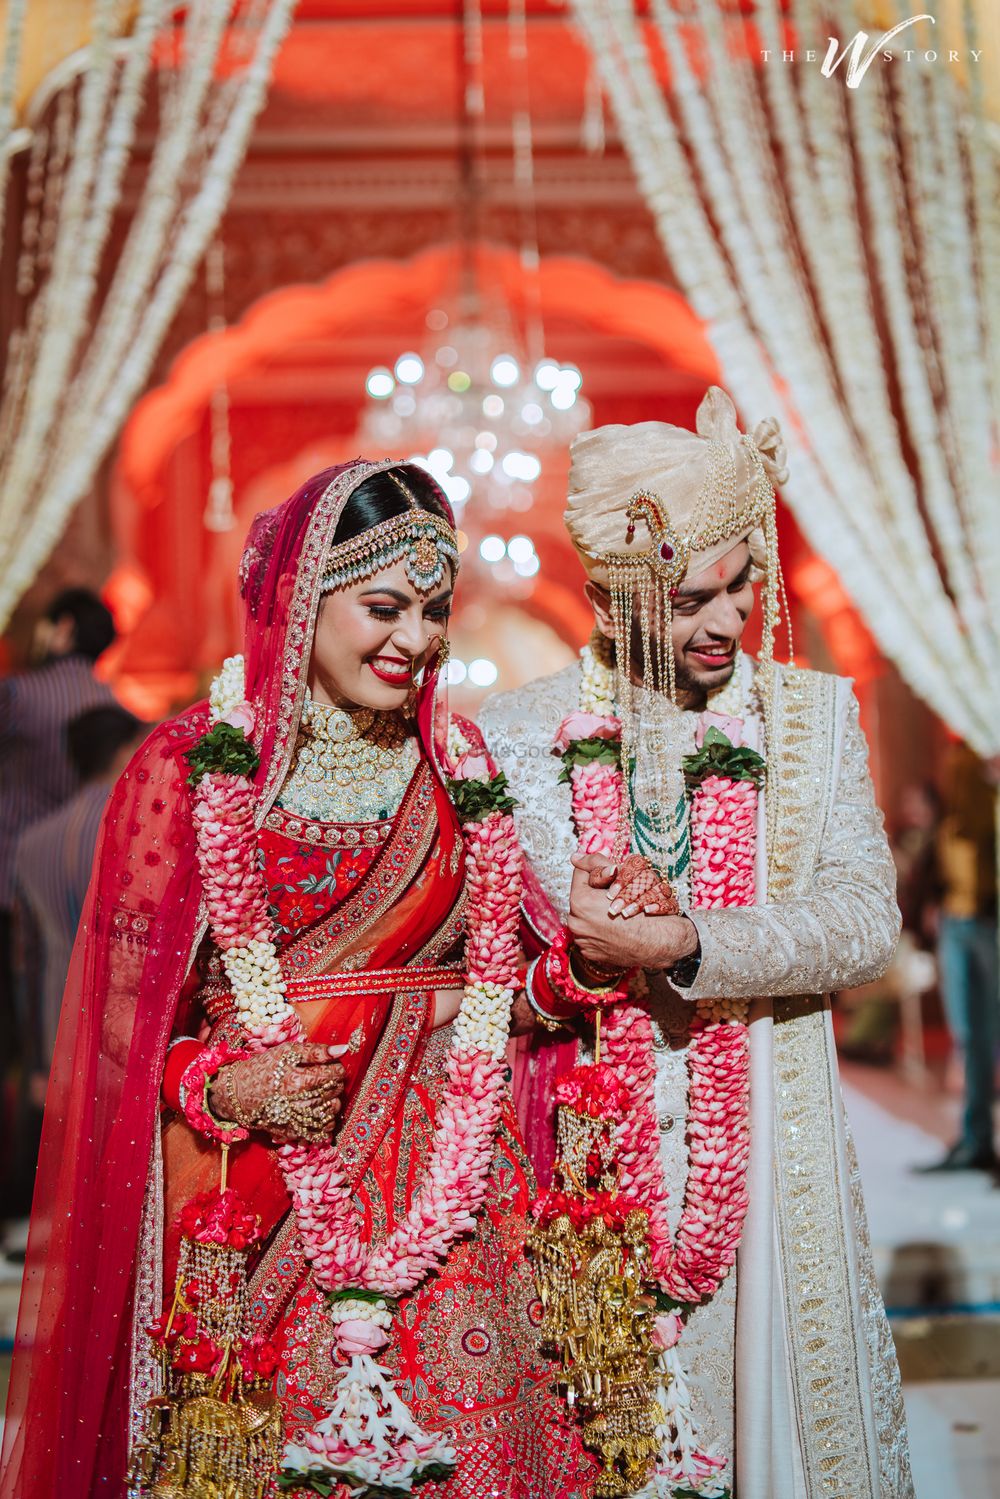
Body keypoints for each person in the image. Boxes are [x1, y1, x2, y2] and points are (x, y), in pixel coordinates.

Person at [0, 462, 591, 1499]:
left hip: (454, 1197)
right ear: (304, 591)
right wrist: (222, 1086)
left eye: (431, 609)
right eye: (382, 606)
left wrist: (584, 954)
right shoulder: (194, 768)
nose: (413, 638)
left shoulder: (461, 769)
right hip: (256, 1180)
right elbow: (122, 1026)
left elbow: (517, 982)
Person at [479, 389, 913, 1499]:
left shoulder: (811, 720)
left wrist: (688, 938)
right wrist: (573, 954)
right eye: (687, 600)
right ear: (607, 597)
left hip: (767, 1139)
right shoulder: (520, 736)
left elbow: (864, 917)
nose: (725, 620)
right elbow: (486, 971)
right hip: (583, 1152)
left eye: (743, 581)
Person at [0, 588, 117, 1216]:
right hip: (88, 865)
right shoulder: (110, 704)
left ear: (62, 626)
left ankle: (22, 1195)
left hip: (14, 872)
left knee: (20, 1042)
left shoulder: (19, 696)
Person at [13, 705, 144, 1120]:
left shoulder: (31, 843)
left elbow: (27, 963)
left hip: (60, 1039)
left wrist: (35, 1061)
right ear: (126, 753)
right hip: (131, 1041)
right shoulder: (138, 830)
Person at [915, 744, 998, 1172]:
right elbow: (939, 860)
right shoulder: (953, 816)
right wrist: (937, 901)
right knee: (970, 1038)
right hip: (957, 925)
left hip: (990, 922)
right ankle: (976, 1138)